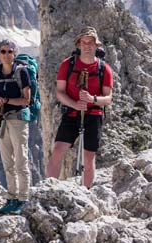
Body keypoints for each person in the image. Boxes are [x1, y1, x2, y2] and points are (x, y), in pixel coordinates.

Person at [46, 26, 113, 188]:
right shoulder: (67, 65)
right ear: (79, 44)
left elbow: (108, 98)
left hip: (94, 114)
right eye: (84, 42)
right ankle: (48, 188)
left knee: (89, 157)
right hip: (71, 113)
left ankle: (86, 192)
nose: (87, 46)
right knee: (58, 150)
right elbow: (60, 93)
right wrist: (75, 104)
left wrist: (92, 99)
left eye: (91, 43)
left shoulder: (104, 69)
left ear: (96, 45)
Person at [0, 39, 31, 214]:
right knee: (7, 161)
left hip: (18, 119)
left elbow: (26, 100)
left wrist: (5, 101)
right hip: (1, 119)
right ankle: (12, 198)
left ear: (14, 54)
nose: (6, 55)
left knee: (21, 159)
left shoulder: (22, 73)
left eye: (9, 51)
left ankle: (23, 198)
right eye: (2, 52)